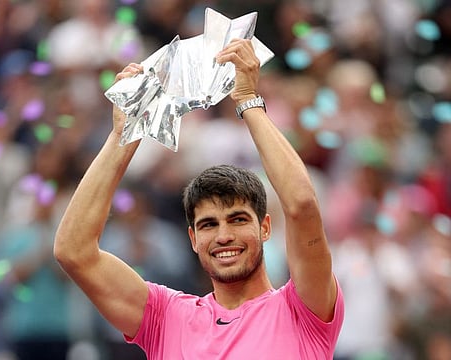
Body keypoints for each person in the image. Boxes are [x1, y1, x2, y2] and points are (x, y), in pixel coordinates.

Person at [54, 38, 344, 359]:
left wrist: (248, 100)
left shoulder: (303, 309)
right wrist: (124, 135)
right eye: (208, 224)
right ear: (193, 238)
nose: (223, 236)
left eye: (237, 219)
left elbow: (302, 204)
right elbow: (73, 251)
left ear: (265, 228)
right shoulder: (164, 316)